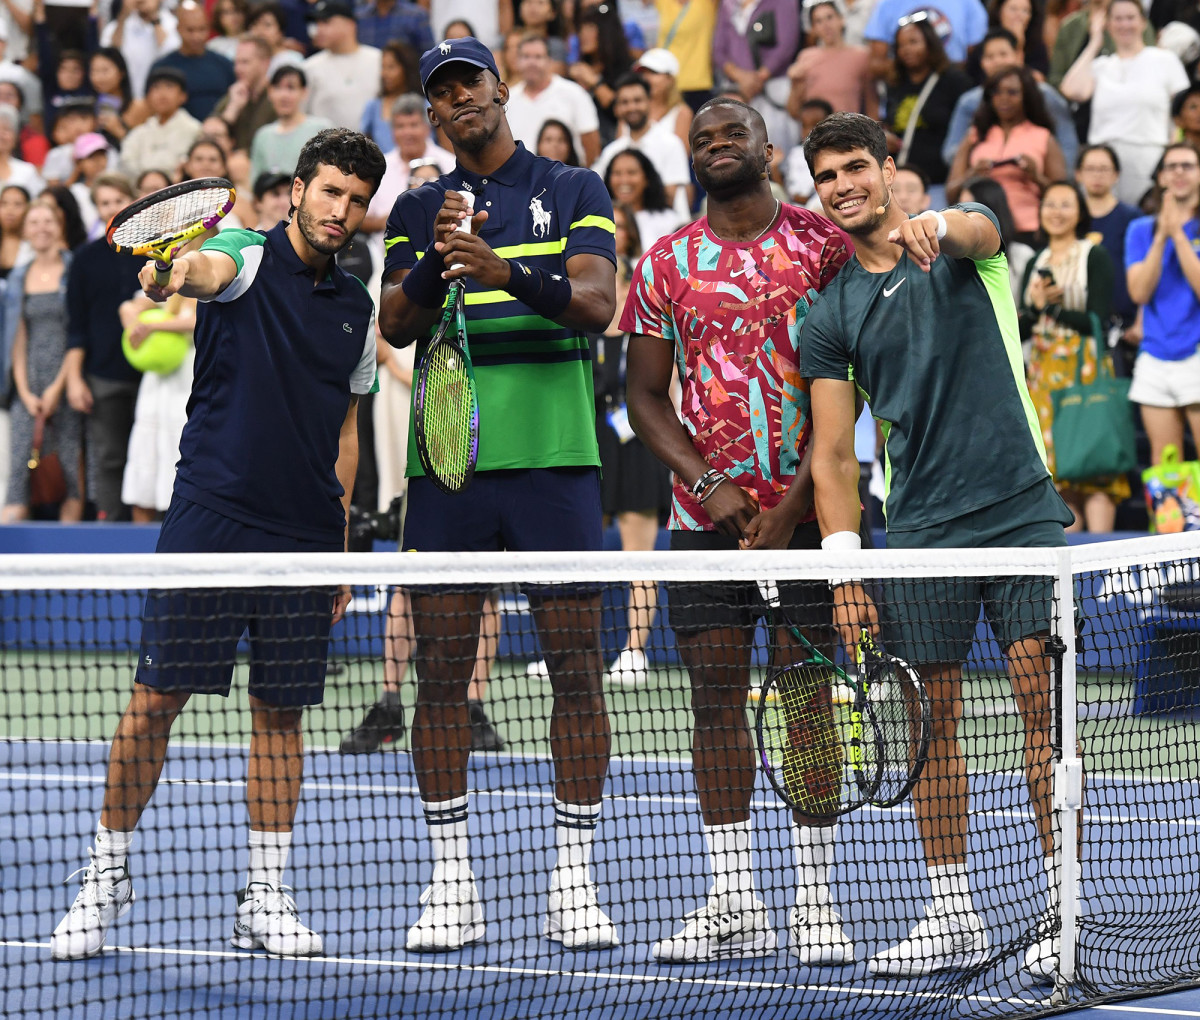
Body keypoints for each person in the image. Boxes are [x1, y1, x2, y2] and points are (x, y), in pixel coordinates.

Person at [50, 127, 386, 961]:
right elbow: (203, 271)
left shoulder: (356, 308)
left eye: (355, 198)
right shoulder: (243, 250)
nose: (339, 210)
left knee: (280, 716)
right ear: (299, 190)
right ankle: (106, 874)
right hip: (213, 517)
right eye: (329, 191)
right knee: (157, 699)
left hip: (306, 534)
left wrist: (340, 541)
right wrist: (171, 271)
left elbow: (346, 431)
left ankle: (265, 896)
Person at [800, 111, 1076, 980]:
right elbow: (835, 455)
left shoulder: (966, 247)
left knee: (1045, 707)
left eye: (855, 168)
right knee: (932, 723)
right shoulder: (830, 313)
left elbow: (982, 224)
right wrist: (845, 565)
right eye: (826, 177)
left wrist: (940, 224)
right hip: (919, 531)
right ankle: (950, 909)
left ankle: (1060, 904)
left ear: (890, 167)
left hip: (1022, 512)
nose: (842, 186)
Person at [378, 36, 619, 953]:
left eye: (470, 82)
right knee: (440, 679)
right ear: (432, 115)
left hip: (555, 462)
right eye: (442, 93)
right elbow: (396, 326)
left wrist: (504, 267)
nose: (460, 100)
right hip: (448, 469)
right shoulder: (416, 205)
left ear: (501, 88)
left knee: (575, 673)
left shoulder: (574, 188)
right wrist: (438, 260)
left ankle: (573, 878)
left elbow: (596, 304)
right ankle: (450, 882)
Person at [623, 95, 854, 964]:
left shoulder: (824, 247)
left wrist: (797, 501)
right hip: (703, 520)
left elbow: (855, 378)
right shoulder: (665, 261)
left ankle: (817, 900)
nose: (717, 146)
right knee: (714, 700)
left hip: (809, 516)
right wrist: (708, 482)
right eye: (702, 138)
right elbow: (643, 394)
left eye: (734, 134)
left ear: (769, 147)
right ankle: (733, 898)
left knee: (806, 702)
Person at [592, 201, 670, 686]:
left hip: (640, 434)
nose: (615, 234)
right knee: (580, 551)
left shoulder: (645, 290)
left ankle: (633, 652)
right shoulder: (581, 296)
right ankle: (575, 653)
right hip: (594, 435)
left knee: (638, 550)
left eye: (622, 226)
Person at [1019, 180, 1124, 533]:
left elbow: (1097, 317)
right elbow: (1023, 328)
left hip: (1085, 367)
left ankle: (1105, 568)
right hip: (1044, 373)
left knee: (1093, 467)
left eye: (1066, 204)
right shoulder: (1037, 260)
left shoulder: (1094, 254)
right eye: (1050, 203)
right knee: (1058, 471)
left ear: (1080, 212)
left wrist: (1054, 308)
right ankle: (1071, 580)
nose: (1057, 212)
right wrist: (1036, 309)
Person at [63, 174, 143, 521]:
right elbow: (76, 325)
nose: (112, 208)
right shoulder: (85, 259)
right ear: (97, 209)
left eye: (118, 200)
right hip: (103, 373)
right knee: (109, 456)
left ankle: (154, 531)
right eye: (105, 202)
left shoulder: (151, 250)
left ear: (132, 201)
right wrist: (75, 379)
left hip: (152, 374)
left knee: (149, 455)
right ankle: (110, 525)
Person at [1060, 0, 1189, 206]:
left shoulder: (1164, 60)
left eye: (1130, 18)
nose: (1124, 25)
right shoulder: (1101, 65)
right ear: (1108, 24)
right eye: (1117, 19)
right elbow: (1071, 89)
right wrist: (1095, 41)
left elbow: (1183, 111)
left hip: (1149, 156)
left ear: (1143, 22)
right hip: (1104, 163)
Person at [1, 199, 80, 522]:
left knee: (70, 474)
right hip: (29, 386)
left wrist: (57, 387)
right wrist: (23, 389)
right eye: (34, 223)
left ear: (59, 225)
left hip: (67, 381)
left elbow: (77, 332)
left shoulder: (74, 269)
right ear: (24, 231)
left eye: (48, 221)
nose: (41, 229)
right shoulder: (19, 277)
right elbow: (17, 339)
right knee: (18, 475)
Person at [1126, 142, 1200, 465]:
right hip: (1155, 354)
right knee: (1165, 464)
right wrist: (1161, 236)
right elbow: (1139, 293)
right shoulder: (1140, 229)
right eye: (1171, 166)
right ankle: (1173, 520)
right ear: (1160, 176)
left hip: (1197, 351)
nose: (1179, 172)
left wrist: (1179, 235)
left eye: (1188, 165)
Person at [946, 66, 1066, 246]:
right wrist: (973, 174)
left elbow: (1063, 196)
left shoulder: (1043, 137)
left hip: (1027, 231)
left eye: (1012, 92)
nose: (1003, 99)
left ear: (1027, 96)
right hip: (979, 229)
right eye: (996, 92)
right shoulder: (974, 135)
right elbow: (951, 193)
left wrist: (1035, 176)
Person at [942, 28, 1078, 175]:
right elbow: (950, 152)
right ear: (982, 63)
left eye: (1003, 54)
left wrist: (1058, 181)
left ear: (1019, 56)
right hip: (980, 184)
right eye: (990, 56)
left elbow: (1068, 145)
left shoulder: (1045, 95)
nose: (997, 61)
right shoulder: (968, 102)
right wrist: (978, 160)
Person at [883, 14, 972, 205]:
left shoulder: (954, 81)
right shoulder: (896, 84)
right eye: (901, 45)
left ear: (931, 43)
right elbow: (890, 122)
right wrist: (886, 136)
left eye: (913, 42)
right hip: (902, 182)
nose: (906, 49)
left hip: (939, 181)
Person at [712, 0, 802, 153]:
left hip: (774, 88)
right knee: (735, 144)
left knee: (775, 145)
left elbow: (787, 44)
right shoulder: (727, 4)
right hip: (736, 87)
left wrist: (759, 77)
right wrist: (740, 76)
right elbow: (718, 50)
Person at [591, 73, 689, 213]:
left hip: (665, 229)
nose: (632, 107)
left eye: (637, 100)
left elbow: (670, 197)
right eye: (624, 102)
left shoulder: (671, 144)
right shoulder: (611, 151)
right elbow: (596, 193)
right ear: (617, 108)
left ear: (649, 102)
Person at [1075, 144, 1140, 351]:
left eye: (1104, 169)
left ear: (1116, 175)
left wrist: (1140, 322)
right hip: (1077, 324)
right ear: (1078, 174)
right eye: (1090, 169)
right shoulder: (1068, 218)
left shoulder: (1133, 219)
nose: (1097, 175)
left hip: (1125, 324)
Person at [504, 32, 601, 166]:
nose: (532, 63)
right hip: (520, 182)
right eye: (526, 57)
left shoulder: (574, 93)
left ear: (550, 61)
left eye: (538, 57)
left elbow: (591, 144)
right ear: (518, 61)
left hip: (566, 179)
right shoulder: (507, 100)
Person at [786, 0, 876, 118]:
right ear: (813, 29)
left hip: (849, 132)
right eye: (818, 21)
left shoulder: (861, 56)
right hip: (815, 133)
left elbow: (872, 100)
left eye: (829, 17)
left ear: (842, 19)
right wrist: (795, 85)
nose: (825, 25)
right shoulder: (805, 57)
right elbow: (794, 111)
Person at [304, 0, 383, 131]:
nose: (319, 29)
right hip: (326, 148)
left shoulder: (378, 59)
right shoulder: (309, 67)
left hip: (372, 147)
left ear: (350, 24)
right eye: (317, 24)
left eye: (326, 22)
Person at [151, 1, 237, 121]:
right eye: (190, 30)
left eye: (202, 29)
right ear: (178, 29)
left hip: (218, 132)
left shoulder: (225, 65)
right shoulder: (163, 68)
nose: (196, 36)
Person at [250, 66, 332, 183]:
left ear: (304, 92)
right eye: (278, 88)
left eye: (291, 88)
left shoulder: (321, 129)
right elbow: (256, 181)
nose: (284, 95)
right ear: (270, 92)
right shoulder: (263, 135)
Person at [119, 67, 203, 181]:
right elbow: (127, 163)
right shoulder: (138, 133)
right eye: (156, 87)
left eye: (169, 86)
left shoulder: (195, 129)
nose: (162, 94)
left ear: (183, 96)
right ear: (148, 97)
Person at [959, 173, 1033, 301]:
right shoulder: (952, 257)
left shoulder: (1022, 255)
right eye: (959, 208)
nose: (961, 217)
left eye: (969, 210)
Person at [99, 0, 180, 100]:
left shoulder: (173, 24)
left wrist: (154, 18)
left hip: (158, 98)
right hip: (124, 97)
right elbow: (110, 55)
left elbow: (171, 54)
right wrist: (123, 16)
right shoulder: (116, 26)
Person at [603, 147, 678, 247]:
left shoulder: (669, 220)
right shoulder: (599, 220)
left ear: (647, 178)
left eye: (631, 172)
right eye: (617, 173)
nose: (624, 180)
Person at [360, 40, 420, 152]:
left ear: (406, 68)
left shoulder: (425, 105)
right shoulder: (372, 107)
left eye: (391, 67)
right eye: (383, 67)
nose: (384, 74)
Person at [633, 47, 691, 152]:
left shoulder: (682, 113)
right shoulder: (630, 109)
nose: (646, 78)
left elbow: (680, 156)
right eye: (643, 73)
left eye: (653, 72)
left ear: (670, 79)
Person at [90, 47, 149, 149]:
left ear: (121, 73)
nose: (98, 78)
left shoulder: (138, 107)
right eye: (94, 71)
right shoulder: (91, 107)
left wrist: (119, 131)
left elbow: (145, 148)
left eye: (105, 71)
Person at [354, 0, 434, 52]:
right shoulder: (360, 17)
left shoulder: (416, 15)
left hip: (408, 75)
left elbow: (428, 53)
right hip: (368, 73)